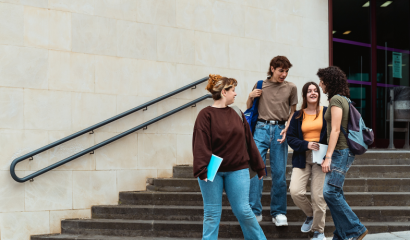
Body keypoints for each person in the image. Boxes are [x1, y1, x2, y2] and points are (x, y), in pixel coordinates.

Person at [193, 74, 267, 240]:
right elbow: (200, 144)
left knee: (244, 210)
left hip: (238, 169)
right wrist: (201, 169)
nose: (235, 94)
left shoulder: (237, 113)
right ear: (223, 92)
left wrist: (259, 166)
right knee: (212, 213)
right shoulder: (205, 115)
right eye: (232, 90)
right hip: (212, 170)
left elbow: (249, 141)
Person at [317, 66, 368, 240]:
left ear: (328, 82)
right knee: (335, 192)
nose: (320, 84)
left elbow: (336, 129)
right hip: (341, 151)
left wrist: (328, 156)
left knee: (329, 193)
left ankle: (356, 228)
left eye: (322, 81)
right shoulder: (342, 99)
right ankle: (341, 235)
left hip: (340, 152)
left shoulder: (336, 100)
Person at [247, 56, 298, 226]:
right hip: (260, 129)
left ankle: (279, 212)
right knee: (255, 171)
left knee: (279, 173)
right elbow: (249, 107)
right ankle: (255, 211)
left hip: (279, 130)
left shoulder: (291, 87)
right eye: (281, 70)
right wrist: (250, 95)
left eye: (286, 71)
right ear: (272, 68)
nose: (284, 74)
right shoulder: (260, 84)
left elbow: (293, 112)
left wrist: (287, 128)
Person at [287, 82, 328, 240]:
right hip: (302, 156)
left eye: (315, 91)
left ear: (319, 94)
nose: (313, 93)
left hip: (321, 158)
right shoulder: (298, 115)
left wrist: (329, 157)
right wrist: (306, 144)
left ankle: (318, 231)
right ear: (304, 95)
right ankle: (311, 215)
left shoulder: (326, 113)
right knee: (295, 191)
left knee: (318, 196)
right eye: (309, 91)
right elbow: (290, 138)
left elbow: (333, 134)